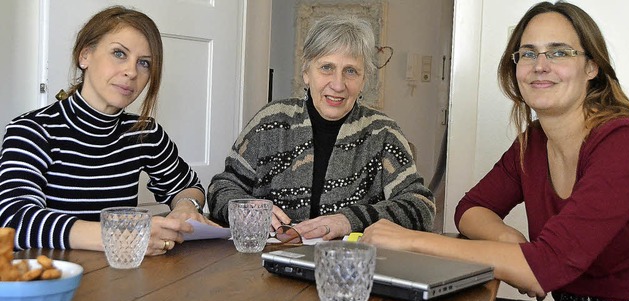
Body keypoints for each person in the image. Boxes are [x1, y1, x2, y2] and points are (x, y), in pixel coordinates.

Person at [361, 1, 629, 301]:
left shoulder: (626, 142)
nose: (540, 65)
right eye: (529, 53)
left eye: (559, 52)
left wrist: (412, 241)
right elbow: (470, 208)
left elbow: (545, 267)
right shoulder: (533, 143)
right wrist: (511, 242)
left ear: (592, 67)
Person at [0, 6, 218, 256]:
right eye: (119, 53)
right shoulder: (31, 130)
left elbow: (188, 186)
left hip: (120, 278)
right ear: (85, 56)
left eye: (144, 63)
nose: (132, 72)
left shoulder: (144, 133)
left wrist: (185, 207)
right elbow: (13, 221)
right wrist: (115, 236)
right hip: (53, 280)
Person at [208, 15, 434, 240]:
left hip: (349, 266)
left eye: (351, 71)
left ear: (364, 79)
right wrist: (246, 208)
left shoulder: (383, 134)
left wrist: (349, 220)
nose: (337, 84)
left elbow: (421, 207)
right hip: (269, 261)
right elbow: (222, 187)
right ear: (306, 73)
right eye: (326, 67)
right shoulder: (271, 122)